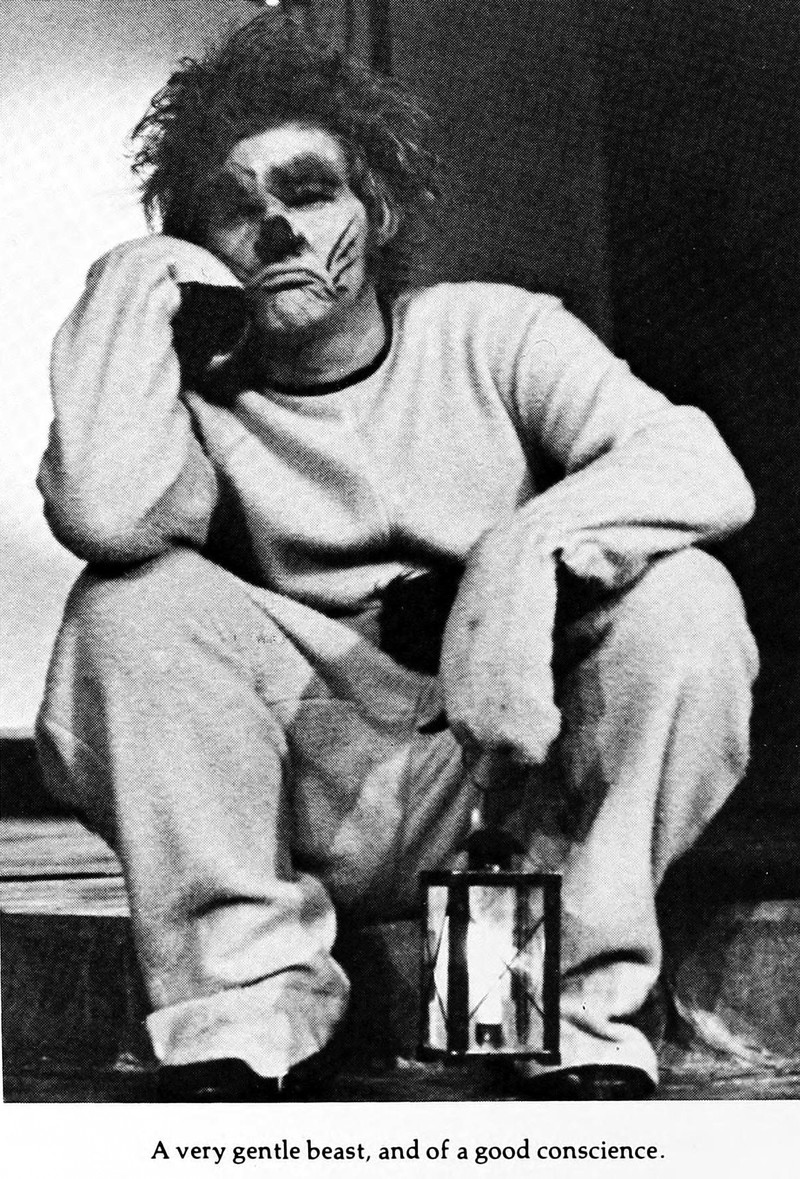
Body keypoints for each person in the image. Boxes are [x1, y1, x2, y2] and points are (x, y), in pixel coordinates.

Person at [36, 16, 758, 1102]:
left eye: (308, 190)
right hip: (302, 801)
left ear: (374, 211)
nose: (277, 226)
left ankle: (562, 1014)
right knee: (124, 605)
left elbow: (698, 468)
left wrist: (523, 556)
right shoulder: (186, 407)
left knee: (686, 599)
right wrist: (134, 279)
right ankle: (248, 1015)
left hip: (498, 785)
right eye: (232, 209)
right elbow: (105, 515)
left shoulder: (488, 334)